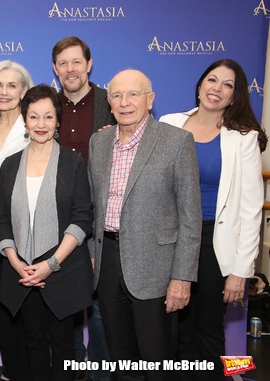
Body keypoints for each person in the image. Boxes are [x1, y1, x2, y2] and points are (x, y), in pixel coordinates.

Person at [88, 69, 201, 381]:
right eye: (117, 95)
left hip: (157, 267)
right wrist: (92, 255)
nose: (125, 102)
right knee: (121, 359)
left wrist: (182, 278)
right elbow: (93, 208)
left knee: (157, 363)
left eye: (133, 94)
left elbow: (190, 216)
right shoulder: (98, 142)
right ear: (109, 102)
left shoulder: (177, 141)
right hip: (108, 263)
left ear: (150, 100)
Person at [160, 59, 267, 381]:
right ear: (200, 84)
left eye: (227, 85)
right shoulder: (168, 123)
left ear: (235, 97)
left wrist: (240, 271)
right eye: (212, 80)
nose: (217, 88)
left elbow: (251, 209)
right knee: (171, 331)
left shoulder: (243, 138)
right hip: (169, 240)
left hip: (213, 244)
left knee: (206, 331)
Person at [0, 84, 94, 381]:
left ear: (58, 120)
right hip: (22, 272)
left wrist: (51, 264)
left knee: (63, 348)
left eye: (48, 117)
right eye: (34, 116)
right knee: (33, 344)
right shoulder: (10, 165)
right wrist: (14, 262)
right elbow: (1, 217)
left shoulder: (73, 162)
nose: (41, 124)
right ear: (24, 119)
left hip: (61, 272)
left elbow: (82, 218)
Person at [52, 36, 114, 381]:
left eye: (76, 62)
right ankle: (75, 368)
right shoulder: (48, 105)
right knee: (68, 304)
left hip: (106, 220)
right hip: (61, 222)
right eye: (63, 63)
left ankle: (102, 372)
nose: (70, 69)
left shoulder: (112, 103)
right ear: (55, 69)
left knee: (102, 308)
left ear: (89, 65)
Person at [0, 60, 33, 381]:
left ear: (24, 91)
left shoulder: (34, 126)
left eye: (12, 85)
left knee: (28, 310)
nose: (4, 92)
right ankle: (11, 372)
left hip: (27, 230)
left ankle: (30, 371)